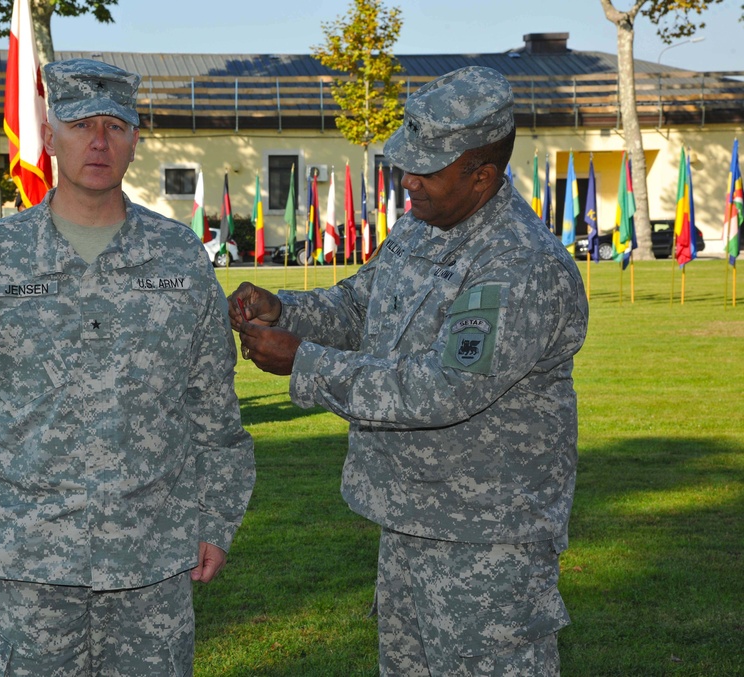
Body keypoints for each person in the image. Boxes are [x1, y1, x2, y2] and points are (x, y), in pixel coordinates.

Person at [230, 66, 589, 676]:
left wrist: (305, 362)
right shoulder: (423, 227)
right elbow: (360, 305)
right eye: (407, 164)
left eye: (427, 170)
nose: (408, 181)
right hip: (412, 520)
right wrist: (285, 310)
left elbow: (444, 388)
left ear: (482, 175)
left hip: (486, 541)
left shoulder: (519, 265)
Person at [0, 58, 255, 676]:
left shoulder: (179, 256)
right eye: (79, 124)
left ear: (135, 140)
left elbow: (213, 408)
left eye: (115, 127)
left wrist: (217, 518)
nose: (98, 141)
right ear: (49, 135)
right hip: (25, 560)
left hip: (153, 557)